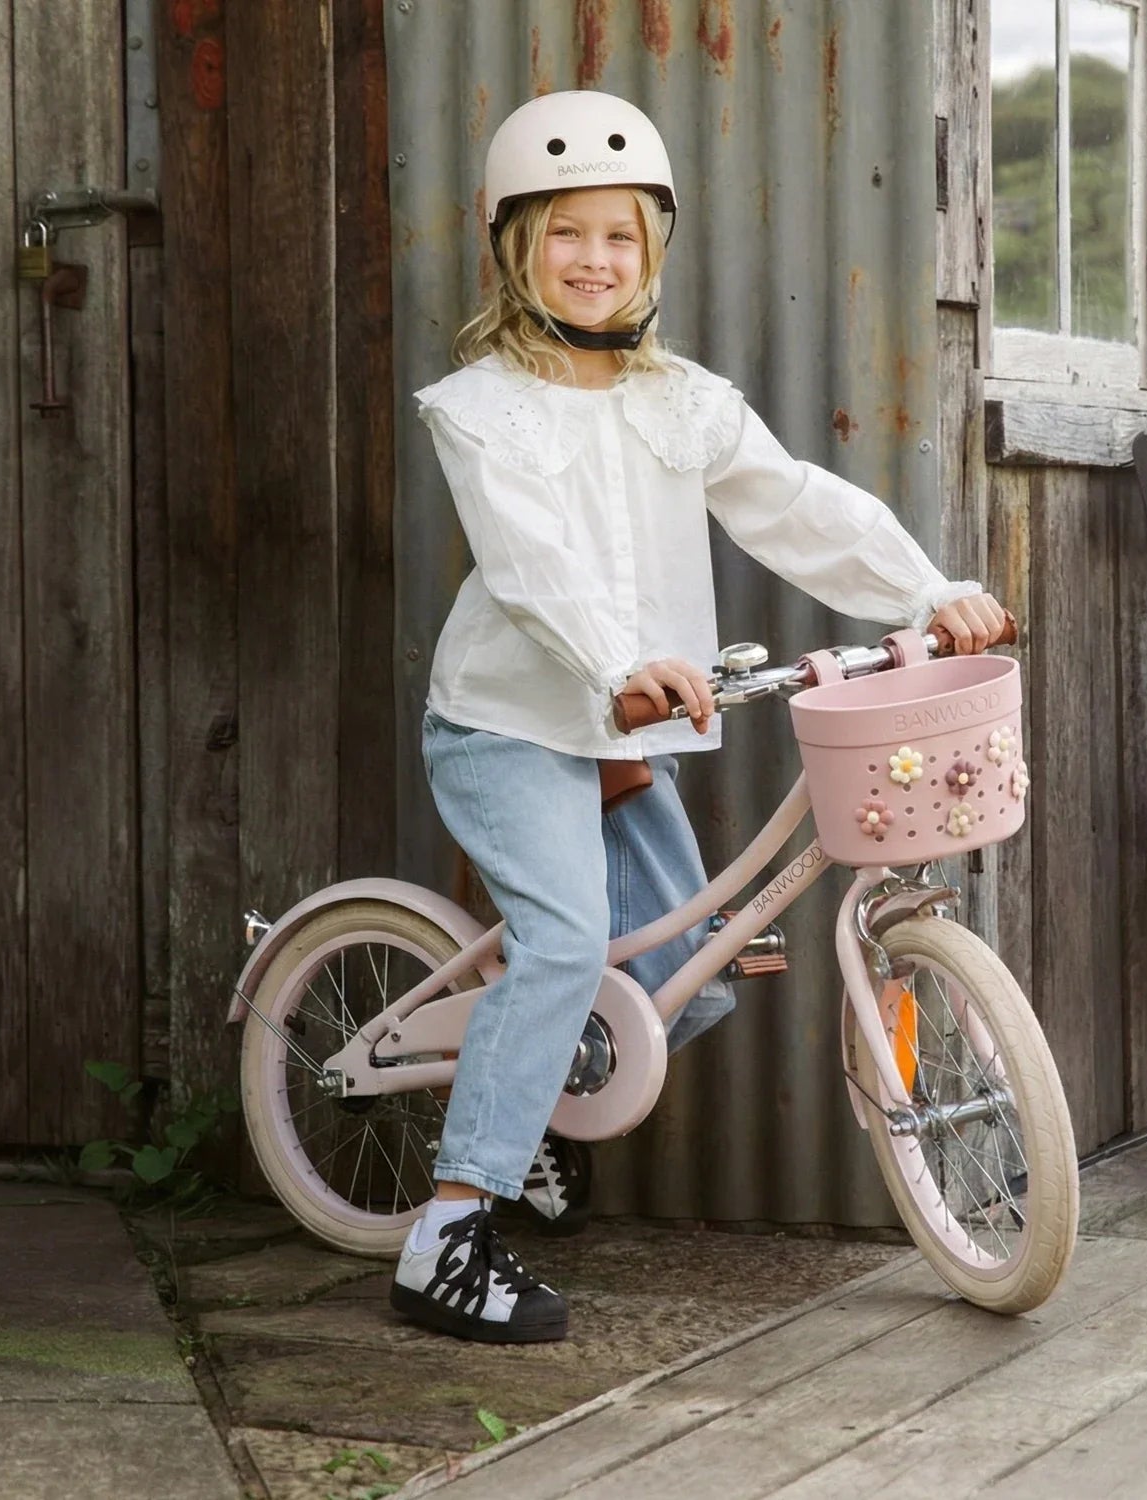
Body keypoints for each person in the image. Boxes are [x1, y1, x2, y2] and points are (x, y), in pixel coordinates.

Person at [390, 90, 1009, 1345]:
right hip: (514, 721)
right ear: (516, 245)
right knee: (567, 945)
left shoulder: (682, 401)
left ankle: (525, 1106)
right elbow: (529, 562)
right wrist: (618, 659)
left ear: (653, 251)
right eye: (565, 234)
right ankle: (447, 1232)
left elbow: (796, 506)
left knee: (679, 975)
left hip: (629, 730)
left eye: (621, 237)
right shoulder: (482, 409)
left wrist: (929, 590)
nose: (595, 260)